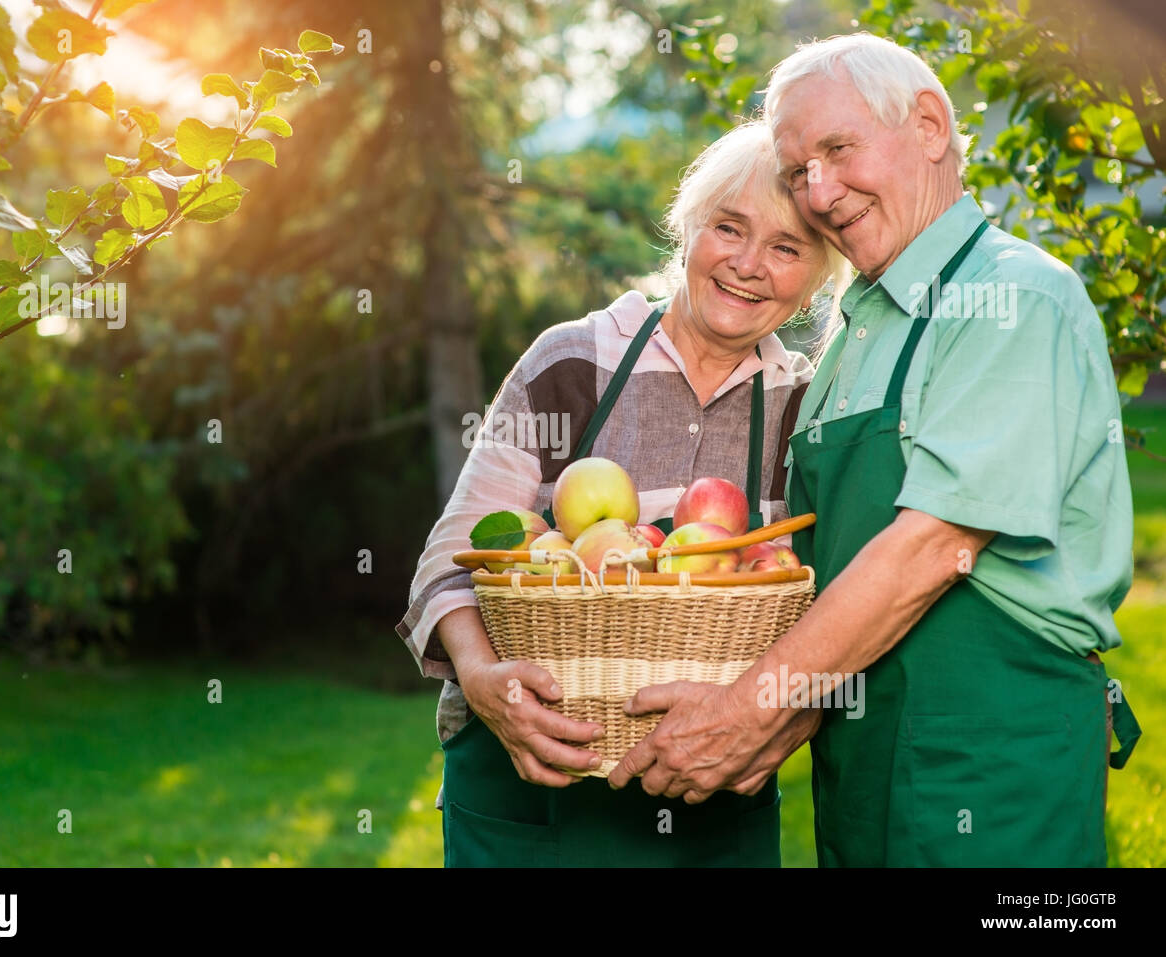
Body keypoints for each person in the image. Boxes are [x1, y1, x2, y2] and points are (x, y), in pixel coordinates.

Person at [608, 33, 1141, 867]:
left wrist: (750, 710)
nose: (817, 192)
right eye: (796, 171)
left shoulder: (1012, 296)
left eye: (837, 149)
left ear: (930, 126)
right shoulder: (859, 326)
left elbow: (936, 545)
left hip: (987, 757)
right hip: (858, 754)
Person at [396, 120, 849, 866]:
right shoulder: (575, 360)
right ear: (685, 230)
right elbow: (453, 555)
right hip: (536, 788)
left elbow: (842, 607)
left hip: (712, 802)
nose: (747, 264)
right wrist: (481, 681)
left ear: (816, 275)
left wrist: (779, 722)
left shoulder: (808, 407)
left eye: (786, 247)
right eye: (727, 228)